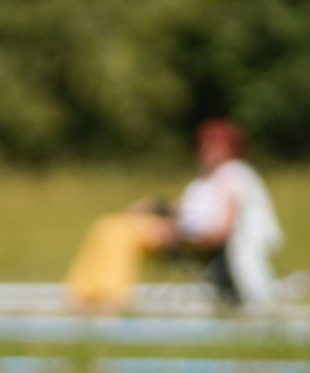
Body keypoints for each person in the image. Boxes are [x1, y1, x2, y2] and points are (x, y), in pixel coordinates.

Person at [64, 120, 283, 310]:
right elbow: (187, 207)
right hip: (179, 231)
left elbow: (222, 227)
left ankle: (110, 297)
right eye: (205, 146)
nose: (208, 151)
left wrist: (186, 239)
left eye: (215, 146)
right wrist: (153, 207)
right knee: (107, 225)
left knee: (119, 234)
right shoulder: (208, 177)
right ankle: (84, 293)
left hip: (191, 240)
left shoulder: (233, 175)